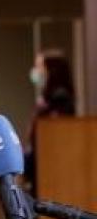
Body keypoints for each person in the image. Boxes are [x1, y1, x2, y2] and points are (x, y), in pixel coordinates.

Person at [24, 49, 77, 194]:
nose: (36, 72)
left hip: (48, 170)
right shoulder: (45, 100)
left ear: (51, 71)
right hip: (37, 168)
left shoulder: (60, 99)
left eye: (40, 67)